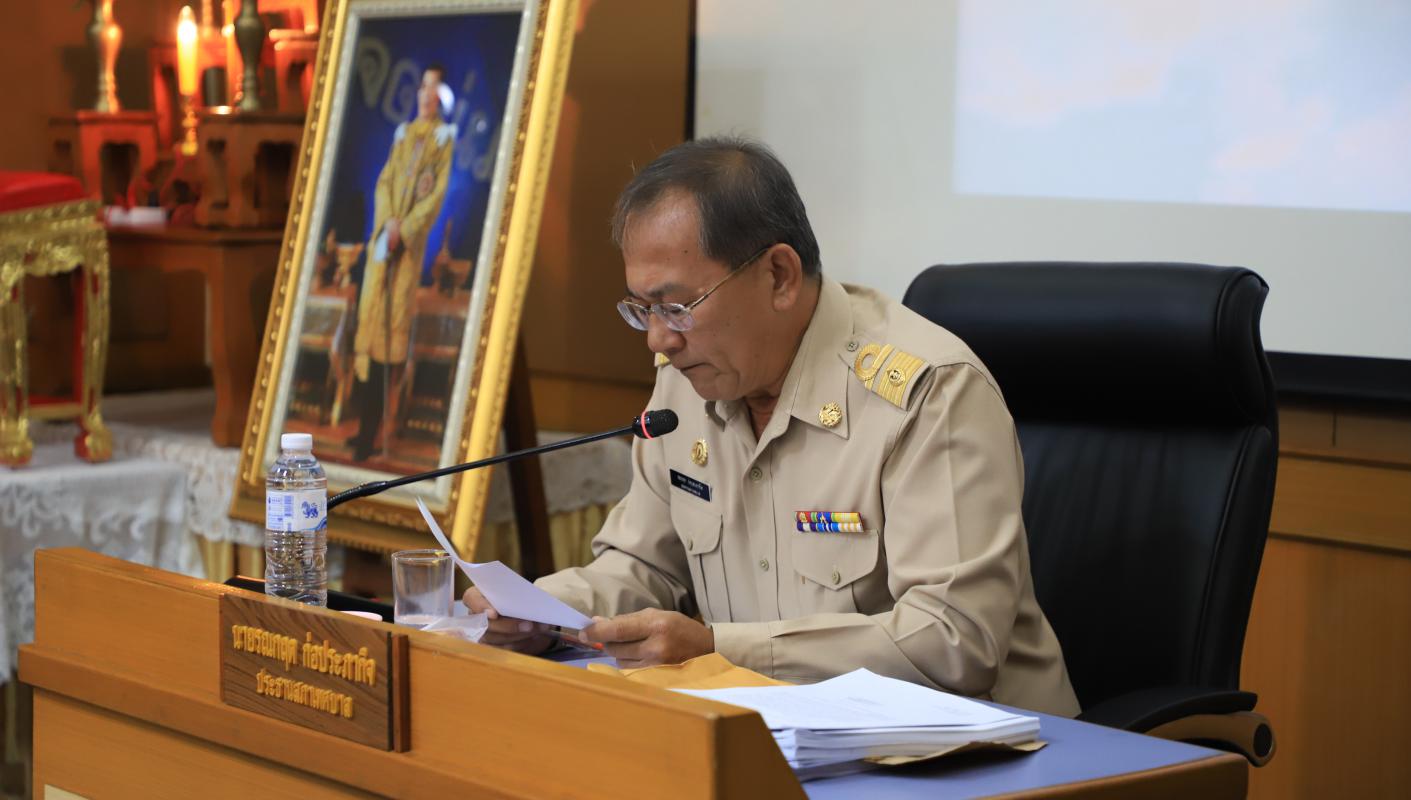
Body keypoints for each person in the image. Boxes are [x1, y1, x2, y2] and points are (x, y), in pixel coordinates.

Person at [464, 137, 1079, 716]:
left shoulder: (928, 392)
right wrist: (540, 612)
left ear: (779, 276)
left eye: (676, 306)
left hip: (987, 753)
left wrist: (720, 650)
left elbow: (955, 640)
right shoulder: (688, 381)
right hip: (777, 737)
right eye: (642, 309)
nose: (658, 339)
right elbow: (644, 567)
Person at [347, 65, 456, 462]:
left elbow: (435, 196)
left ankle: (374, 432)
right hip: (384, 243)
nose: (427, 94)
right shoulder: (403, 134)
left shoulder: (443, 140)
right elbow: (385, 181)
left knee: (389, 339)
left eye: (435, 88)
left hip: (405, 251)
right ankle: (362, 427)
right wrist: (387, 224)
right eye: (423, 86)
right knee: (370, 329)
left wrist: (404, 229)